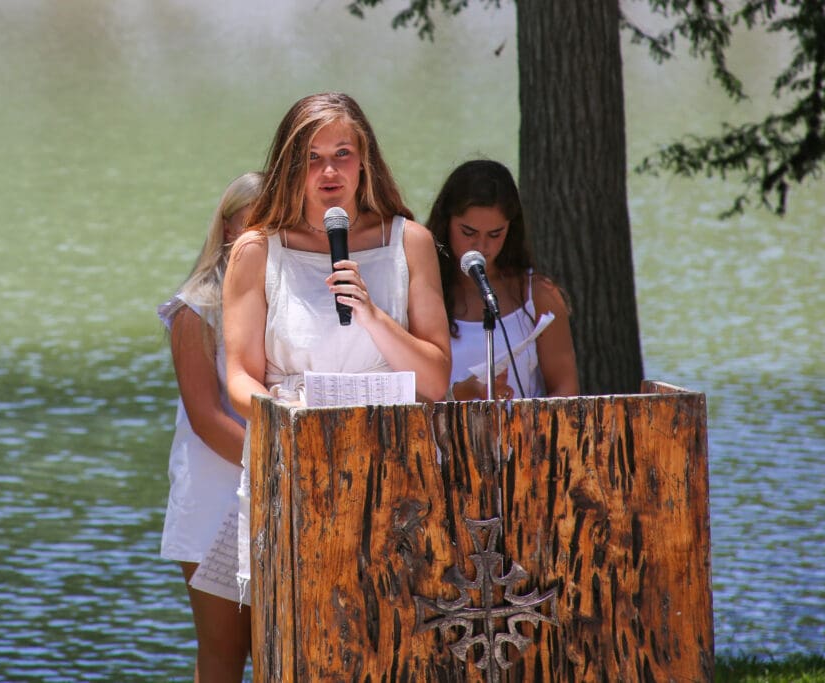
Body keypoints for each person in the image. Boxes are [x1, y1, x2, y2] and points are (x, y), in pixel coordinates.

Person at [222, 92, 451, 418]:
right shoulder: (256, 251)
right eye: (312, 157)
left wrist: (373, 316)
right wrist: (287, 417)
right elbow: (240, 376)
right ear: (291, 168)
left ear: (363, 160)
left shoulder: (410, 243)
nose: (329, 170)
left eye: (342, 153)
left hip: (391, 444)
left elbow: (435, 383)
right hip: (292, 442)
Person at [158, 171, 262, 682]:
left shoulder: (283, 301)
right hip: (215, 495)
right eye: (252, 229)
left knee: (276, 649)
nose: (263, 243)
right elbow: (205, 419)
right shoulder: (195, 308)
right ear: (226, 230)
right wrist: (284, 466)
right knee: (222, 654)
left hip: (276, 496)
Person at [425, 159, 579, 400]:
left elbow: (565, 391)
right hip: (443, 435)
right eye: (468, 232)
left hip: (524, 435)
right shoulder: (422, 292)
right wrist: (463, 393)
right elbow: (407, 395)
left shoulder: (538, 294)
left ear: (511, 229)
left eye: (495, 234)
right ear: (446, 223)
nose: (481, 246)